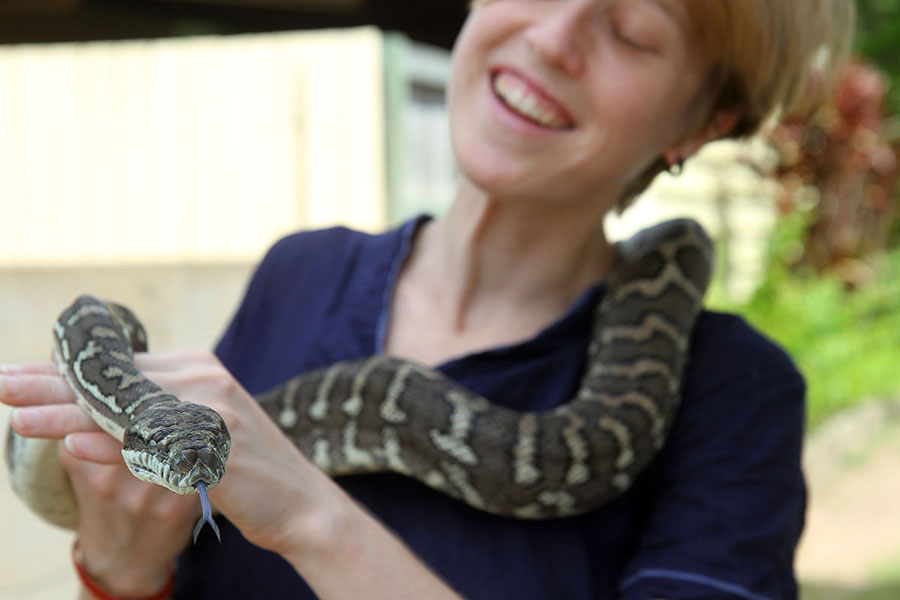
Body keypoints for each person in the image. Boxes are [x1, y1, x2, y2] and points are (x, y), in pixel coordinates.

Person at [2, 1, 854, 598]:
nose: (554, 38)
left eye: (632, 31)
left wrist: (310, 516)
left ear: (700, 125)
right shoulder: (300, 275)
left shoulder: (732, 394)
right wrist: (116, 574)